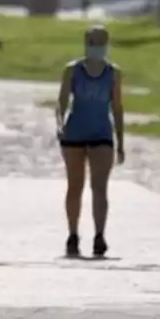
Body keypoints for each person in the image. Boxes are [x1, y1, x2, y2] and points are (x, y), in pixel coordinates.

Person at [55, 25, 126, 258]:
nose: (97, 47)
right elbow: (62, 100)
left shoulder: (113, 73)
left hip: (101, 133)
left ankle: (99, 235)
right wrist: (60, 124)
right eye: (93, 42)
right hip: (75, 132)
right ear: (86, 43)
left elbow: (116, 107)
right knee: (75, 186)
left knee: (99, 187)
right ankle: (73, 234)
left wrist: (121, 140)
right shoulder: (73, 70)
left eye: (101, 42)